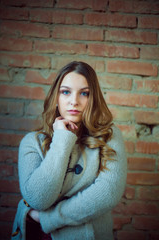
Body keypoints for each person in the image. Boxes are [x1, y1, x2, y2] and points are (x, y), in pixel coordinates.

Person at [11, 61, 127, 240]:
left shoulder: (109, 137)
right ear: (56, 97)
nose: (74, 101)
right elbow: (38, 199)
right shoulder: (31, 142)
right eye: (66, 92)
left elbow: (108, 193)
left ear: (93, 98)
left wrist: (47, 218)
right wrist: (62, 139)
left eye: (84, 93)